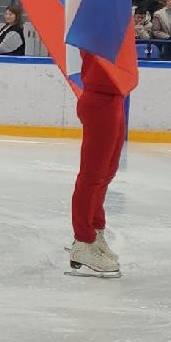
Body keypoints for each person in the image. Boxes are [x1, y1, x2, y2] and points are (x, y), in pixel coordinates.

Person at [67, 54, 128, 278]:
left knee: (107, 173)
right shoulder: (97, 24)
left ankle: (95, 230)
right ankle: (83, 241)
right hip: (100, 98)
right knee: (93, 175)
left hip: (115, 97)